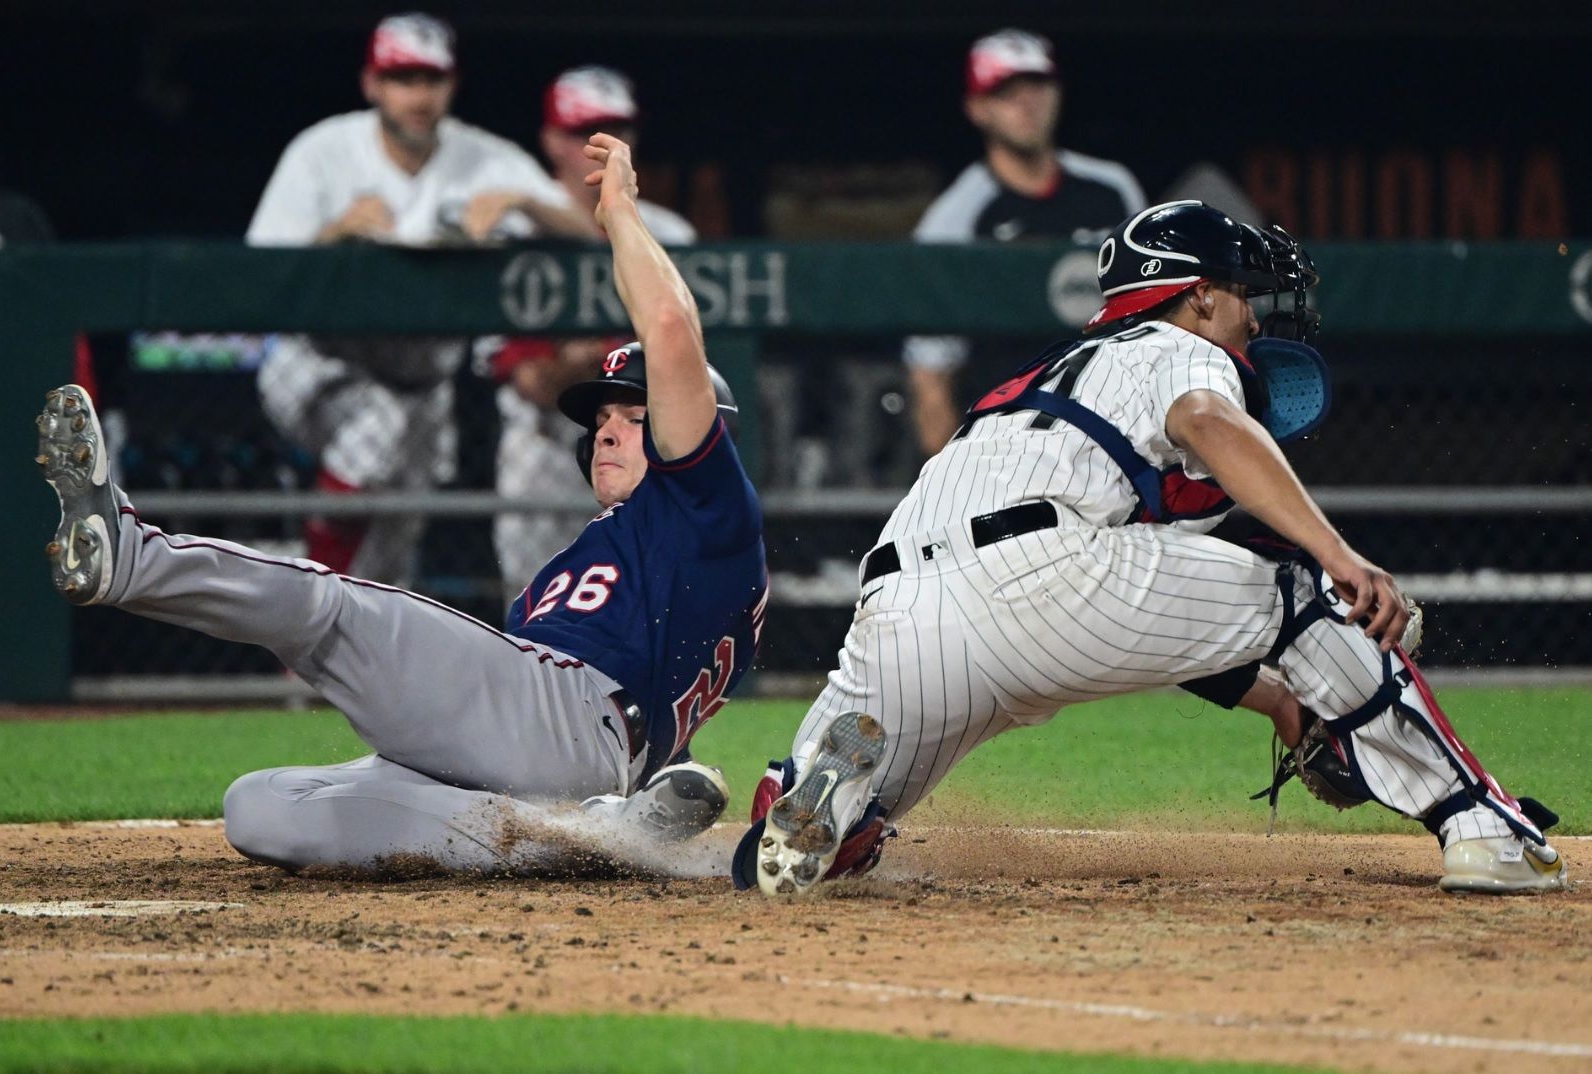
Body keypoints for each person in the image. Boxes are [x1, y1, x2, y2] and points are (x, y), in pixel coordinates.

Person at [735, 200, 1567, 899]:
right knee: (1303, 590)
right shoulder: (1175, 347)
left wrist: (1282, 705)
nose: (1251, 316)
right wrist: (1337, 555)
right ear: (1198, 297)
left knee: (831, 848)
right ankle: (1482, 829)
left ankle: (817, 794)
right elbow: (1208, 424)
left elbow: (1164, 613)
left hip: (898, 607)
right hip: (1040, 575)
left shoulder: (1040, 380)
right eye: (1244, 295)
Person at [39, 133, 767, 874]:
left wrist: (617, 214)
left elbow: (671, 328)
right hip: (573, 754)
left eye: (635, 418)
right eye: (600, 421)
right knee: (262, 808)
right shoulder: (639, 551)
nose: (608, 432)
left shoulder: (705, 503)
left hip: (569, 710)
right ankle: (572, 837)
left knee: (332, 610)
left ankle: (131, 558)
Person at [247, 13, 598, 586]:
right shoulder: (322, 152)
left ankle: (353, 658)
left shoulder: (483, 156)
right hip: (322, 360)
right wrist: (333, 234)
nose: (418, 94)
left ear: (451, 87)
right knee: (373, 439)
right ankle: (304, 617)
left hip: (424, 379)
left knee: (392, 548)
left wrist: (521, 201)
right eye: (402, 78)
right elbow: (258, 271)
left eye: (430, 79)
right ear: (372, 84)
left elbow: (582, 233)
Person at [490, 65, 698, 598]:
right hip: (544, 448)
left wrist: (588, 359)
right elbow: (534, 380)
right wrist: (617, 355)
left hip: (650, 442)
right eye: (584, 130)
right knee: (536, 607)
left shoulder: (671, 235)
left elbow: (690, 368)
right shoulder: (519, 233)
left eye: (618, 127)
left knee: (650, 604)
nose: (605, 143)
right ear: (551, 141)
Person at [905, 28, 1146, 458]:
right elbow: (931, 372)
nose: (1027, 102)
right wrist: (951, 484)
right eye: (1006, 91)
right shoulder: (955, 219)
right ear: (977, 109)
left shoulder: (1112, 189)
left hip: (1121, 429)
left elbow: (1159, 320)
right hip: (1013, 444)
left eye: (1037, 84)